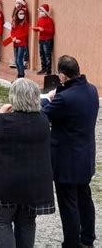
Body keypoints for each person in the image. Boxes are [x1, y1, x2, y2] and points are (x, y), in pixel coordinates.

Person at [0, 78, 55, 247]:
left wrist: (0, 114)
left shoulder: (4, 122)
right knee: (26, 224)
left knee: (1, 223)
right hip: (32, 186)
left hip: (4, 186)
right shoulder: (42, 121)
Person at [41, 56, 98, 248]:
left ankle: (72, 243)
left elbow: (43, 116)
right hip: (85, 155)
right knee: (84, 198)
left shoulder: (64, 98)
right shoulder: (91, 90)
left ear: (62, 75)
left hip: (66, 159)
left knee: (68, 205)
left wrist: (47, 99)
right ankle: (88, 238)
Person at [34, 4, 55, 75]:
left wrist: (43, 30)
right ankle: (43, 69)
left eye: (41, 11)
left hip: (47, 40)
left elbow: (51, 31)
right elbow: (37, 27)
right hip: (41, 39)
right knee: (41, 54)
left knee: (47, 55)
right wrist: (36, 29)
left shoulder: (50, 21)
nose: (40, 13)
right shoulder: (39, 20)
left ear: (45, 12)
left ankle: (48, 71)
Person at [10, 7, 29, 79]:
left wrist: (17, 38)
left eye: (23, 13)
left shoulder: (25, 23)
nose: (22, 15)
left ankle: (21, 75)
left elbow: (25, 33)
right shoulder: (14, 22)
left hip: (21, 43)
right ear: (17, 14)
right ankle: (19, 73)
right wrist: (13, 38)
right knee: (16, 60)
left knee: (19, 59)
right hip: (15, 43)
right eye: (20, 13)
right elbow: (12, 32)